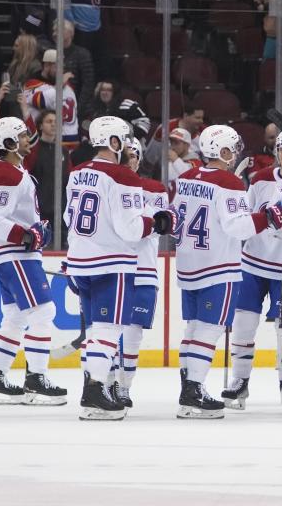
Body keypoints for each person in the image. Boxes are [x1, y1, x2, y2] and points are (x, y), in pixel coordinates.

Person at [172, 124, 282, 418]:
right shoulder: (228, 182)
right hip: (217, 264)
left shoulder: (186, 177)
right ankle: (194, 389)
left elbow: (175, 217)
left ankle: (188, 385)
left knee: (192, 328)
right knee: (208, 329)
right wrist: (271, 216)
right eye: (233, 148)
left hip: (188, 263)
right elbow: (238, 226)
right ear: (223, 151)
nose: (236, 153)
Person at [62, 116, 173, 419]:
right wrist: (156, 222)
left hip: (81, 262)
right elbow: (130, 229)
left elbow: (68, 219)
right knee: (108, 329)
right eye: (122, 139)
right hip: (112, 263)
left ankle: (93, 389)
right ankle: (95, 392)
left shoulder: (78, 172)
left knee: (98, 329)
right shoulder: (123, 177)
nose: (125, 145)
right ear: (113, 142)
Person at [0, 116, 67, 406]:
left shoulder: (10, 170)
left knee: (15, 316)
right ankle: (36, 380)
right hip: (13, 254)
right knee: (44, 312)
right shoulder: (6, 173)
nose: (29, 138)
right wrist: (27, 237)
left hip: (7, 253)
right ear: (9, 143)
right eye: (23, 136)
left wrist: (36, 229)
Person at [223, 129, 282, 409]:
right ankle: (240, 381)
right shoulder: (259, 180)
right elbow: (243, 217)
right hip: (253, 262)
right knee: (244, 323)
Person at [113, 138, 168, 410]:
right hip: (111, 266)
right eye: (124, 155)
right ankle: (107, 383)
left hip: (143, 269)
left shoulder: (155, 189)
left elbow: (159, 224)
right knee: (108, 330)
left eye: (133, 155)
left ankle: (123, 386)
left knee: (132, 332)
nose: (129, 160)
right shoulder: (105, 184)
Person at [40, 20, 95, 122]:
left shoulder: (82, 54)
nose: (55, 34)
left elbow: (88, 84)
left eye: (59, 30)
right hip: (52, 105)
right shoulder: (49, 53)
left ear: (71, 33)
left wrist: (76, 108)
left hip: (77, 107)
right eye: (54, 31)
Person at [23, 49, 79, 148]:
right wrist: (60, 84)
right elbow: (41, 101)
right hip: (45, 144)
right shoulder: (32, 84)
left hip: (71, 144)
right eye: (57, 67)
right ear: (46, 66)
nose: (61, 71)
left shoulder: (67, 86)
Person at [29, 109, 70, 230]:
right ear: (41, 125)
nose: (53, 124)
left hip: (58, 211)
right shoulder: (33, 149)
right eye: (49, 121)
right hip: (38, 209)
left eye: (56, 122)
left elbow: (68, 178)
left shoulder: (64, 152)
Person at [145, 102, 205, 168]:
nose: (201, 121)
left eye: (202, 118)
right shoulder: (166, 128)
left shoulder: (204, 132)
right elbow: (151, 157)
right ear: (185, 115)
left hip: (195, 170)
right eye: (197, 118)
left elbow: (208, 162)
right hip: (165, 171)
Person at [165, 127, 202, 197]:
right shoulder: (169, 160)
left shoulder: (196, 161)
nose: (172, 147)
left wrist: (175, 160)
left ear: (187, 145)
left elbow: (192, 178)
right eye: (171, 142)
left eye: (176, 143)